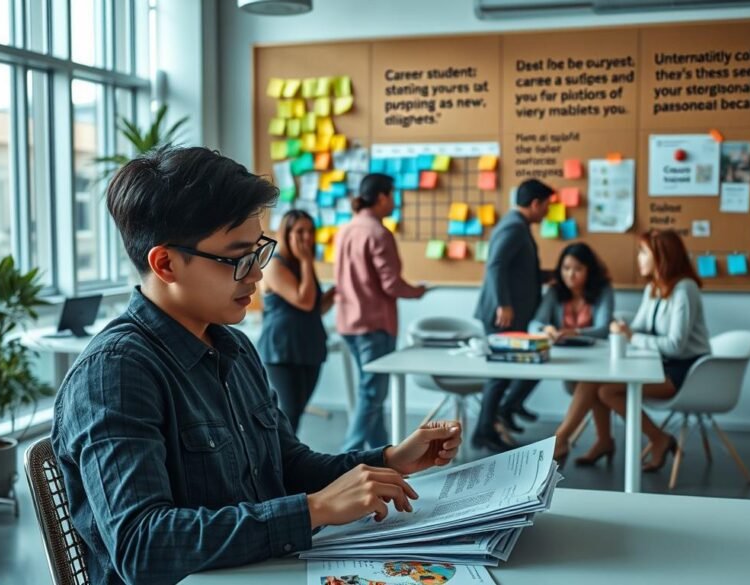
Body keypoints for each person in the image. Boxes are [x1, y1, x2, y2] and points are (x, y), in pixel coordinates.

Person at [51, 147, 460, 585]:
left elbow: (286, 466)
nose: (256, 275)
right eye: (237, 258)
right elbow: (142, 544)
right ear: (166, 263)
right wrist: (314, 509)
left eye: (259, 251)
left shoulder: (234, 348)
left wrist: (390, 459)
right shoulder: (115, 374)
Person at [552, 229, 710, 472]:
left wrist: (632, 336)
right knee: (598, 384)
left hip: (685, 372)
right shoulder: (654, 289)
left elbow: (675, 346)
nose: (639, 258)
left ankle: (563, 440)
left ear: (662, 257)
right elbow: (640, 328)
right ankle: (612, 440)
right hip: (659, 363)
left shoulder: (685, 290)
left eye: (643, 252)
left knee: (604, 389)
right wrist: (624, 329)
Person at [335, 173, 427, 452]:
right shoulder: (378, 233)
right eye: (393, 195)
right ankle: (346, 457)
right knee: (372, 394)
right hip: (374, 324)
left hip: (348, 322)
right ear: (382, 196)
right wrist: (417, 291)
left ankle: (380, 454)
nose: (395, 201)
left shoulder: (345, 230)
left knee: (370, 393)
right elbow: (391, 284)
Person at [472, 179, 554, 452]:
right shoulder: (514, 227)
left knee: (509, 371)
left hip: (507, 313)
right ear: (535, 204)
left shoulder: (518, 226)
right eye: (547, 206)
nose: (547, 213)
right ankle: (484, 430)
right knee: (499, 374)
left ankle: (500, 416)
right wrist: (503, 304)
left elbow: (520, 271)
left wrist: (552, 277)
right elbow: (495, 265)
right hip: (502, 315)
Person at [527, 243, 617, 466]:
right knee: (594, 385)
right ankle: (604, 441)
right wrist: (545, 330)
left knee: (594, 380)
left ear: (589, 270)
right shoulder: (555, 291)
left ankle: (560, 439)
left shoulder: (603, 289)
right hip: (568, 363)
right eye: (566, 268)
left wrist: (575, 332)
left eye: (577, 269)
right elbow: (534, 323)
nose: (570, 274)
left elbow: (604, 328)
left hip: (597, 360)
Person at [258, 209, 334, 434]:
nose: (307, 237)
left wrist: (333, 296)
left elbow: (314, 309)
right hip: (283, 349)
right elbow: (304, 300)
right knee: (288, 413)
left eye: (311, 231)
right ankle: (282, 463)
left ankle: (289, 462)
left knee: (297, 411)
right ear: (286, 233)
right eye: (300, 231)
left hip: (309, 346)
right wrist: (306, 261)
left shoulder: (302, 266)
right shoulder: (275, 265)